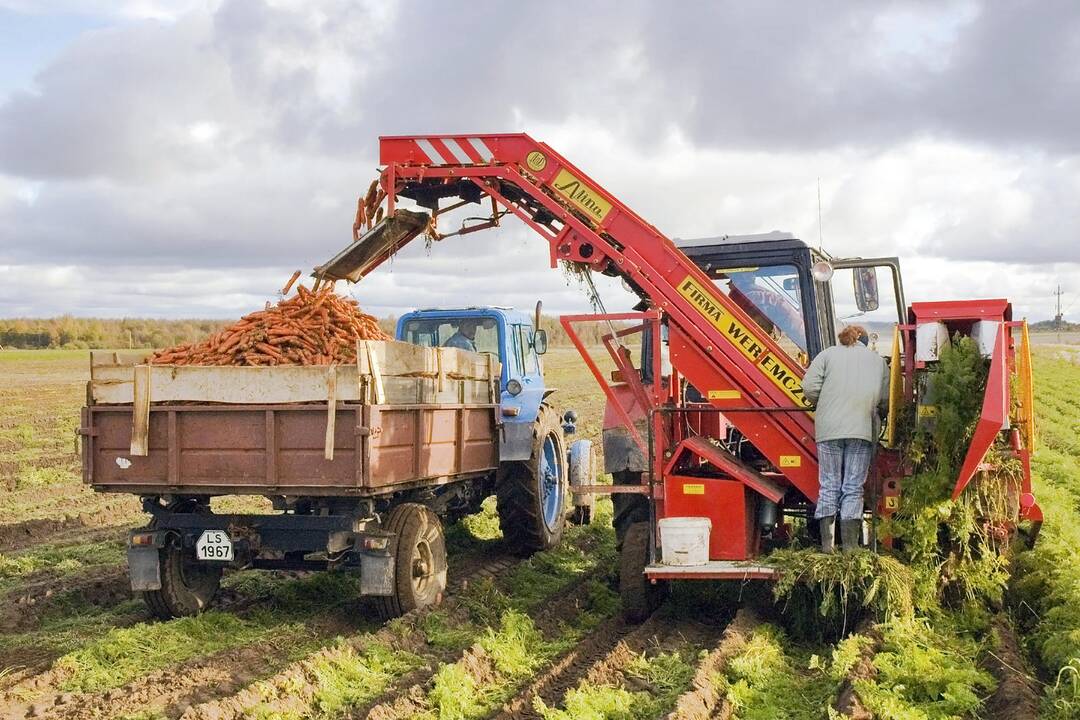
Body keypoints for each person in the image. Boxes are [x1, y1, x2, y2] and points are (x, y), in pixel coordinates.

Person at [802, 324, 889, 553]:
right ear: (864, 340)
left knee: (829, 484)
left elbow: (809, 388)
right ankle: (850, 547)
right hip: (862, 430)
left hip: (829, 430)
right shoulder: (878, 362)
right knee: (853, 486)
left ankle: (827, 546)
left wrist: (826, 401)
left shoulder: (827, 355)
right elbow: (885, 399)